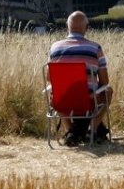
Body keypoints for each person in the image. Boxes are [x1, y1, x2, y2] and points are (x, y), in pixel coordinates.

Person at [48, 10, 112, 144]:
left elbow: (49, 78)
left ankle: (71, 131)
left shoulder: (54, 48)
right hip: (88, 101)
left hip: (62, 101)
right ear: (87, 28)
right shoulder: (95, 48)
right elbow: (105, 81)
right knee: (108, 91)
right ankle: (93, 129)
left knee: (54, 93)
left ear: (67, 27)